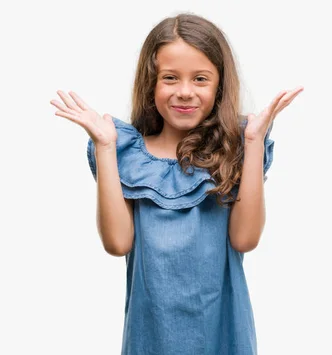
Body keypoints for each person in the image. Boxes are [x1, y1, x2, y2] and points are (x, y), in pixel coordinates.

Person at [50, 12, 303, 355]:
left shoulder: (236, 151)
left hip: (222, 335)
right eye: (170, 78)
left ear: (220, 86)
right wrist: (105, 148)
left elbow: (245, 239)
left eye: (200, 79)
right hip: (151, 338)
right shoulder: (127, 154)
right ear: (151, 83)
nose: (185, 92)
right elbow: (117, 243)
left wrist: (255, 143)